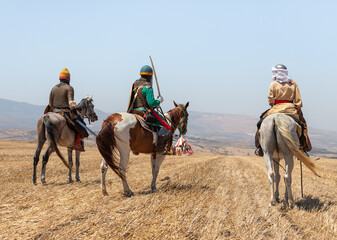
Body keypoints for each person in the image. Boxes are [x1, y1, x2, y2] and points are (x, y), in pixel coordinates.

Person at [255, 64, 312, 156]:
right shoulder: (293, 83)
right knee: (302, 125)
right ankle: (303, 147)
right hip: (290, 109)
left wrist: (273, 105)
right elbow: (298, 101)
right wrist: (297, 106)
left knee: (260, 123)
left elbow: (270, 99)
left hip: (275, 109)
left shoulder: (273, 84)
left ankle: (260, 147)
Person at [127, 65, 170, 154]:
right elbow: (151, 103)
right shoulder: (147, 86)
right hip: (143, 111)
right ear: (150, 76)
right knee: (164, 126)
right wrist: (159, 100)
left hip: (133, 110)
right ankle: (160, 148)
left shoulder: (135, 84)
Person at [46, 68, 88, 151]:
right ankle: (77, 144)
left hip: (54, 112)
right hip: (65, 112)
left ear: (60, 78)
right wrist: (75, 108)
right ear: (68, 79)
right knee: (81, 124)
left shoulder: (53, 88)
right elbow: (71, 103)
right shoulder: (69, 88)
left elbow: (50, 104)